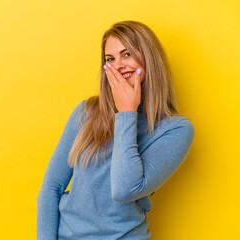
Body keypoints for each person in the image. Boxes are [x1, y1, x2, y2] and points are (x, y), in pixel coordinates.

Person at [36, 20, 195, 239]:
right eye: (110, 59)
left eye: (127, 54)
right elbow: (51, 188)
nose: (118, 65)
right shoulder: (86, 112)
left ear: (149, 58)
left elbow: (124, 190)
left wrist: (126, 113)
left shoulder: (175, 130)